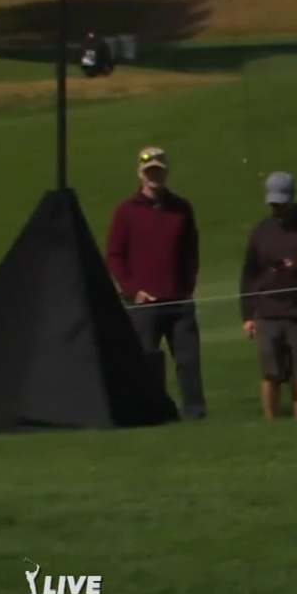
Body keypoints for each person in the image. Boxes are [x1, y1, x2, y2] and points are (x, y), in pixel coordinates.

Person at [106, 146, 205, 419]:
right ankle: (151, 413)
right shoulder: (125, 211)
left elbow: (191, 252)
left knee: (188, 361)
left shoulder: (181, 209)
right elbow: (114, 255)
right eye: (149, 172)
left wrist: (187, 287)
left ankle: (195, 413)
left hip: (179, 301)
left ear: (166, 173)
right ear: (140, 173)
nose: (154, 177)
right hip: (144, 304)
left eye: (158, 171)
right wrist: (132, 290)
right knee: (147, 362)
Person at [239, 172, 297, 420]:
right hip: (267, 311)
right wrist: (247, 315)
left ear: (292, 199)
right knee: (270, 371)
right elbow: (249, 274)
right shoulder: (261, 231)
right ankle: (271, 421)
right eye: (273, 204)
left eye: (281, 203)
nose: (277, 208)